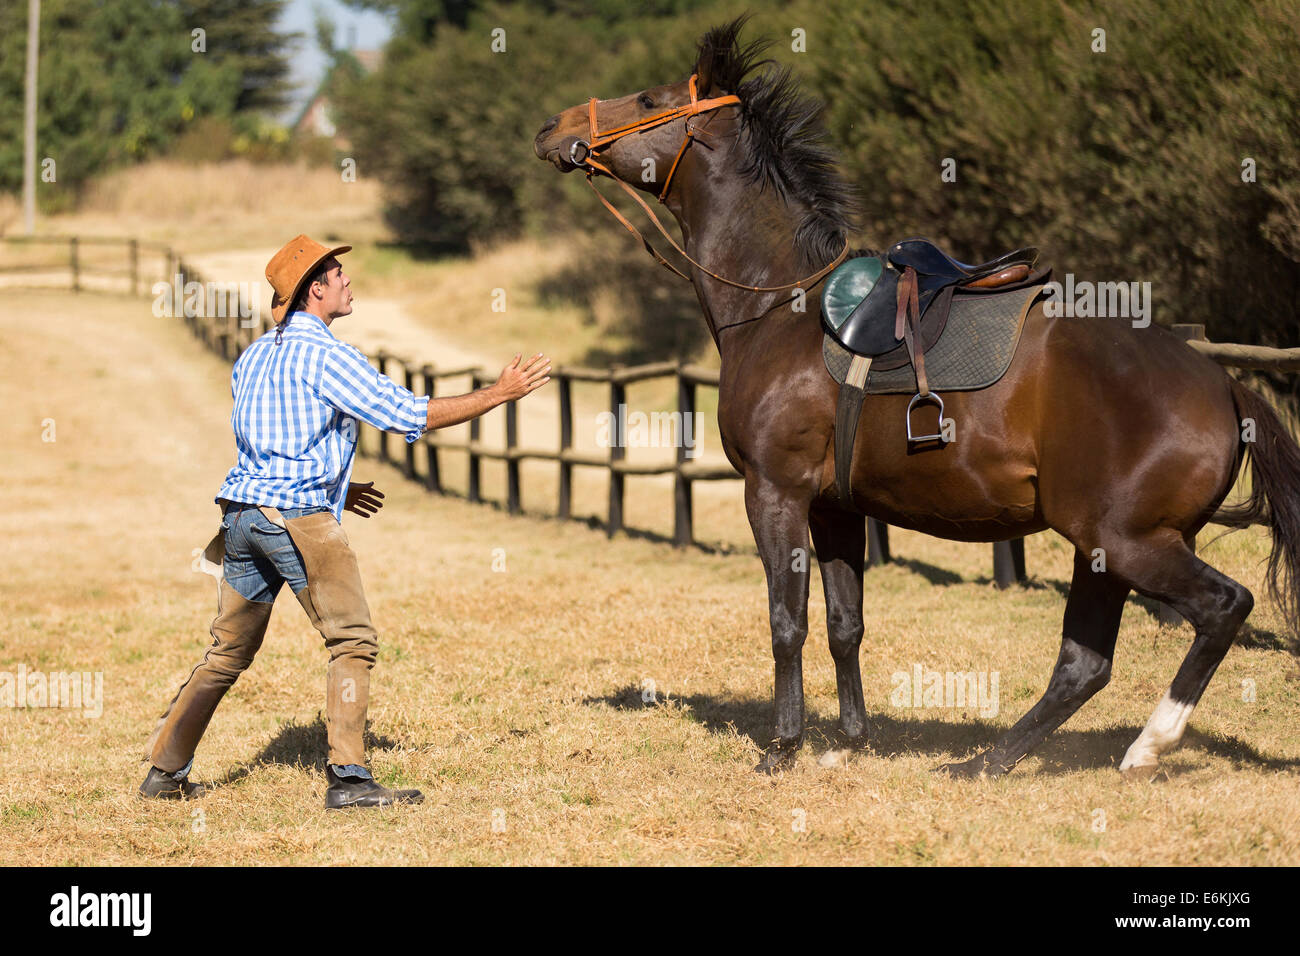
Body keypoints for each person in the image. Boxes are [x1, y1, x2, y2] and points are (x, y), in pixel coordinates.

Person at [139, 234, 550, 809]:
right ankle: (351, 780)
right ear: (315, 290)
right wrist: (500, 392)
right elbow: (411, 414)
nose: (347, 281)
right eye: (337, 273)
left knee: (226, 653)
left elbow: (268, 442)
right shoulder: (326, 354)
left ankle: (164, 773)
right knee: (352, 640)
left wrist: (338, 484)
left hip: (241, 517)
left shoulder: (254, 355)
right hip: (297, 521)